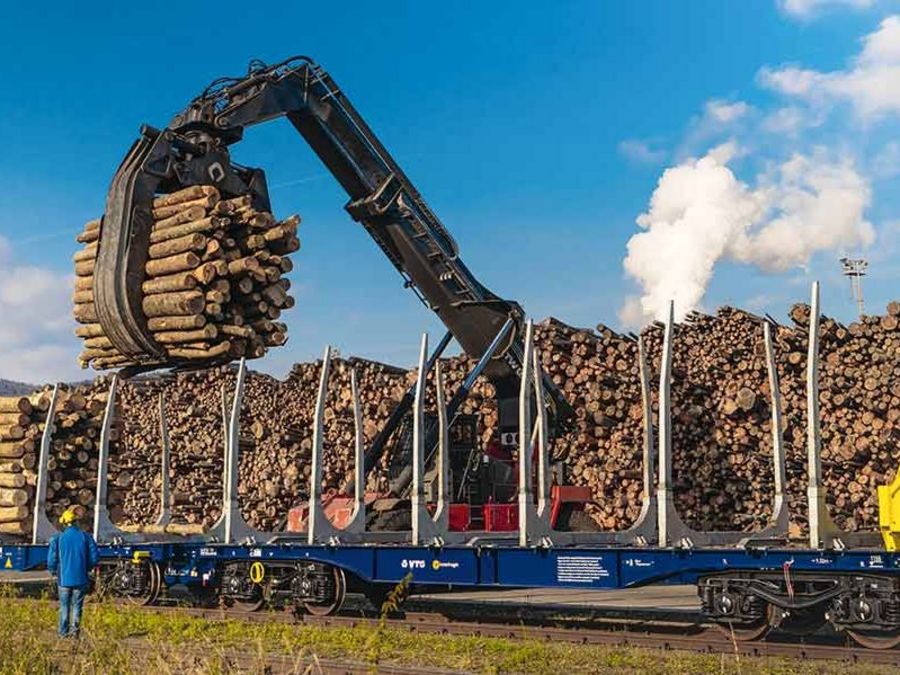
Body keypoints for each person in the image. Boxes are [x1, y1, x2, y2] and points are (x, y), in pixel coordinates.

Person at [47, 507, 100, 638]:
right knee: (77, 606)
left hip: (63, 579)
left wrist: (53, 570)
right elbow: (94, 558)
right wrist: (87, 568)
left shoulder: (57, 539)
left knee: (64, 606)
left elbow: (52, 559)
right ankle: (75, 632)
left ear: (64, 523)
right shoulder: (86, 537)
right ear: (77, 522)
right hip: (81, 579)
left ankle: (63, 633)